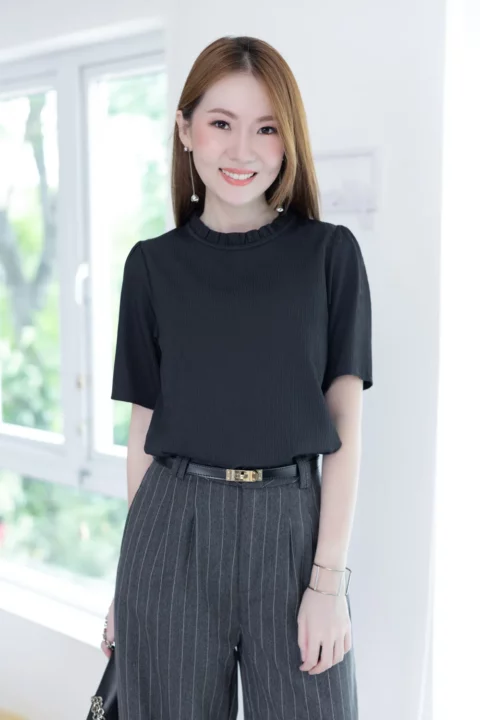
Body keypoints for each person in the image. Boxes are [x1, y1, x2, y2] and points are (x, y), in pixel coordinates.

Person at [103, 34, 373, 720]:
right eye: (221, 123)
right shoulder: (151, 267)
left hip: (292, 532)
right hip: (172, 529)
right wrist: (129, 582)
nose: (242, 150)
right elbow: (143, 430)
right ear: (185, 129)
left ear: (288, 141)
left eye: (266, 129)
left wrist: (328, 584)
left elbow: (345, 424)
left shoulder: (329, 255)